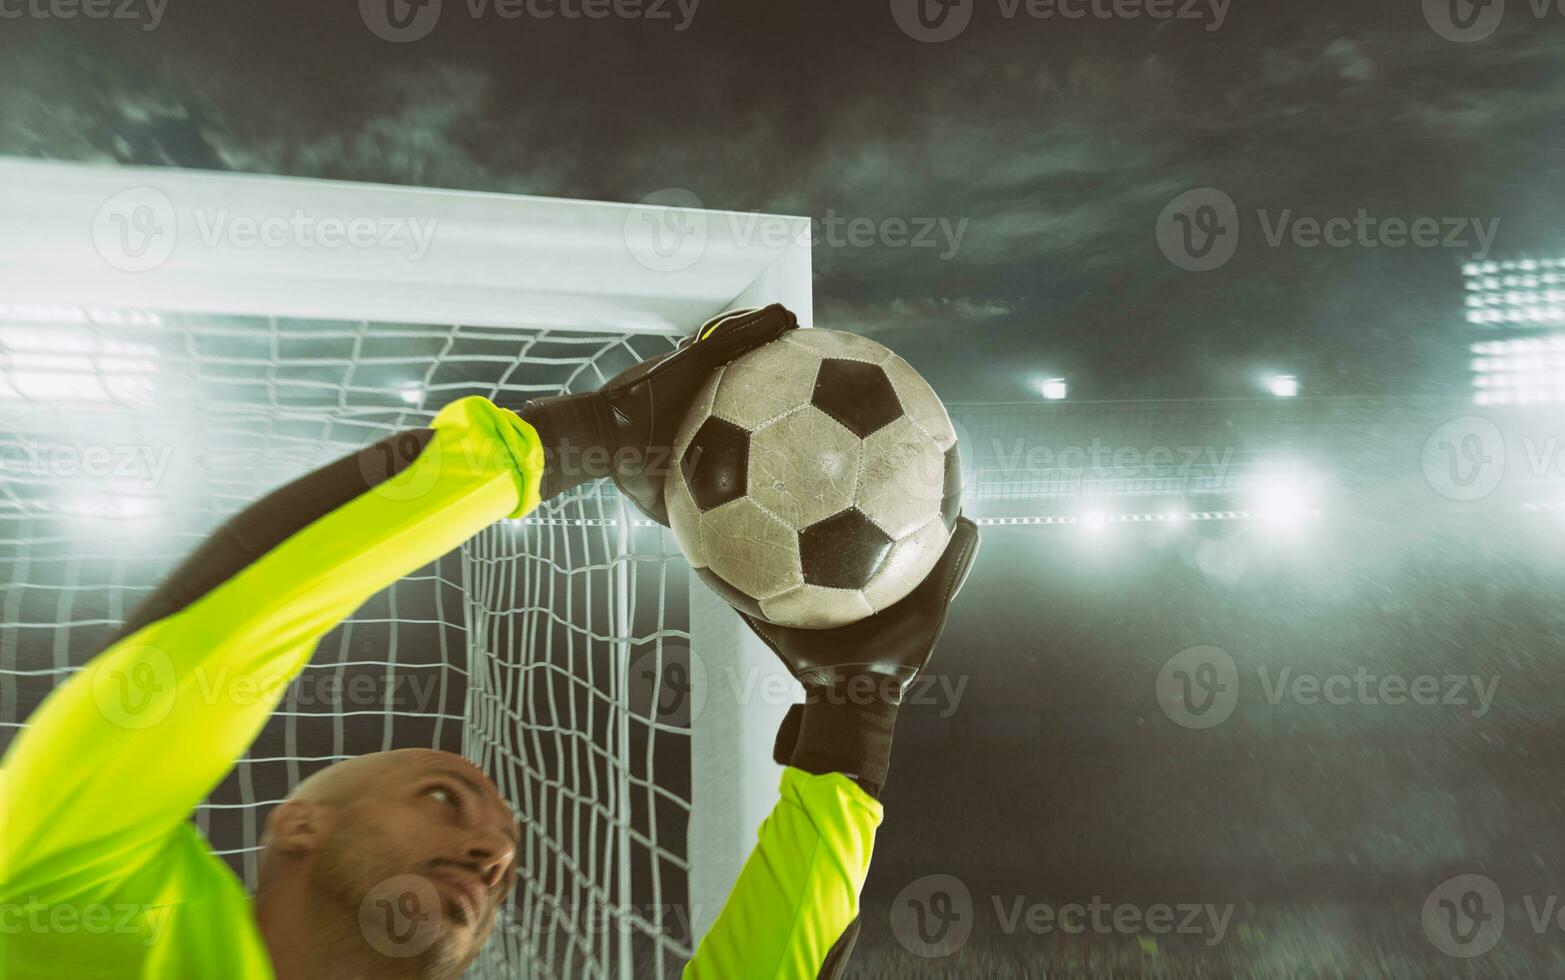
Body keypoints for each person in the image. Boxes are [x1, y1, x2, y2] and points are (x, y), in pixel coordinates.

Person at [0, 304, 979, 979]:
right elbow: (226, 632)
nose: (490, 847)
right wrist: (576, 438)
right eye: (444, 796)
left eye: (496, 848)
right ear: (297, 820)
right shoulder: (81, 893)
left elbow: (236, 616)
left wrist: (856, 703)